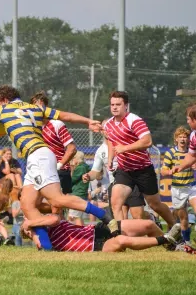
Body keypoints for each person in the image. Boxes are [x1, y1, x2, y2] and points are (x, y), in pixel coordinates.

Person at [0, 84, 118, 250]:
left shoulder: (3, 109)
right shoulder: (34, 108)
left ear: (4, 100)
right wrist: (88, 121)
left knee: (57, 199)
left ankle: (105, 217)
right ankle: (47, 248)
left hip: (38, 156)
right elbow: (64, 115)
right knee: (27, 204)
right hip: (37, 156)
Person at [103, 91, 175, 228]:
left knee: (155, 204)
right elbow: (112, 142)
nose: (114, 107)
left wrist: (125, 148)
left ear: (126, 105)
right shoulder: (108, 125)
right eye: (112, 104)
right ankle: (121, 236)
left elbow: (147, 141)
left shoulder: (134, 120)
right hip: (124, 170)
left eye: (118, 104)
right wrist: (110, 159)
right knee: (116, 203)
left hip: (143, 170)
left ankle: (175, 227)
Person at [83, 120, 149, 221]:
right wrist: (88, 176)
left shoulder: (125, 143)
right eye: (105, 129)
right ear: (101, 131)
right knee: (121, 221)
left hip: (132, 182)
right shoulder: (100, 151)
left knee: (138, 217)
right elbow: (95, 172)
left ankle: (150, 218)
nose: (107, 131)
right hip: (115, 185)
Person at [21, 214, 183, 253]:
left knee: (148, 224)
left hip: (98, 230)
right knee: (121, 240)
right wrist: (33, 233)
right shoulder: (42, 240)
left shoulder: (49, 222)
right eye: (27, 232)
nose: (31, 230)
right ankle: (165, 239)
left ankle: (171, 247)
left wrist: (31, 223)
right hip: (96, 246)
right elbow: (43, 248)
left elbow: (55, 218)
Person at [30, 91, 77, 194]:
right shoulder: (33, 128)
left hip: (59, 172)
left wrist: (59, 165)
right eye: (35, 107)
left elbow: (72, 149)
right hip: (41, 172)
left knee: (57, 207)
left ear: (46, 107)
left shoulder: (57, 124)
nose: (38, 110)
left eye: (41, 106)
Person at [162, 126, 195, 246]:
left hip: (191, 186)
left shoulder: (191, 152)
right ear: (176, 139)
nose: (182, 139)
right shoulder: (171, 153)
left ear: (188, 139)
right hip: (177, 189)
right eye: (180, 137)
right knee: (183, 218)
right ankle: (186, 241)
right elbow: (163, 171)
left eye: (185, 137)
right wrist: (170, 171)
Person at [68, 151, 91, 225]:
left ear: (77, 159)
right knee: (78, 216)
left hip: (78, 193)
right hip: (81, 193)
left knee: (72, 217)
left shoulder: (80, 168)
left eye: (73, 158)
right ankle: (83, 232)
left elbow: (71, 180)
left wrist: (72, 169)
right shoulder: (85, 166)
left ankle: (78, 234)